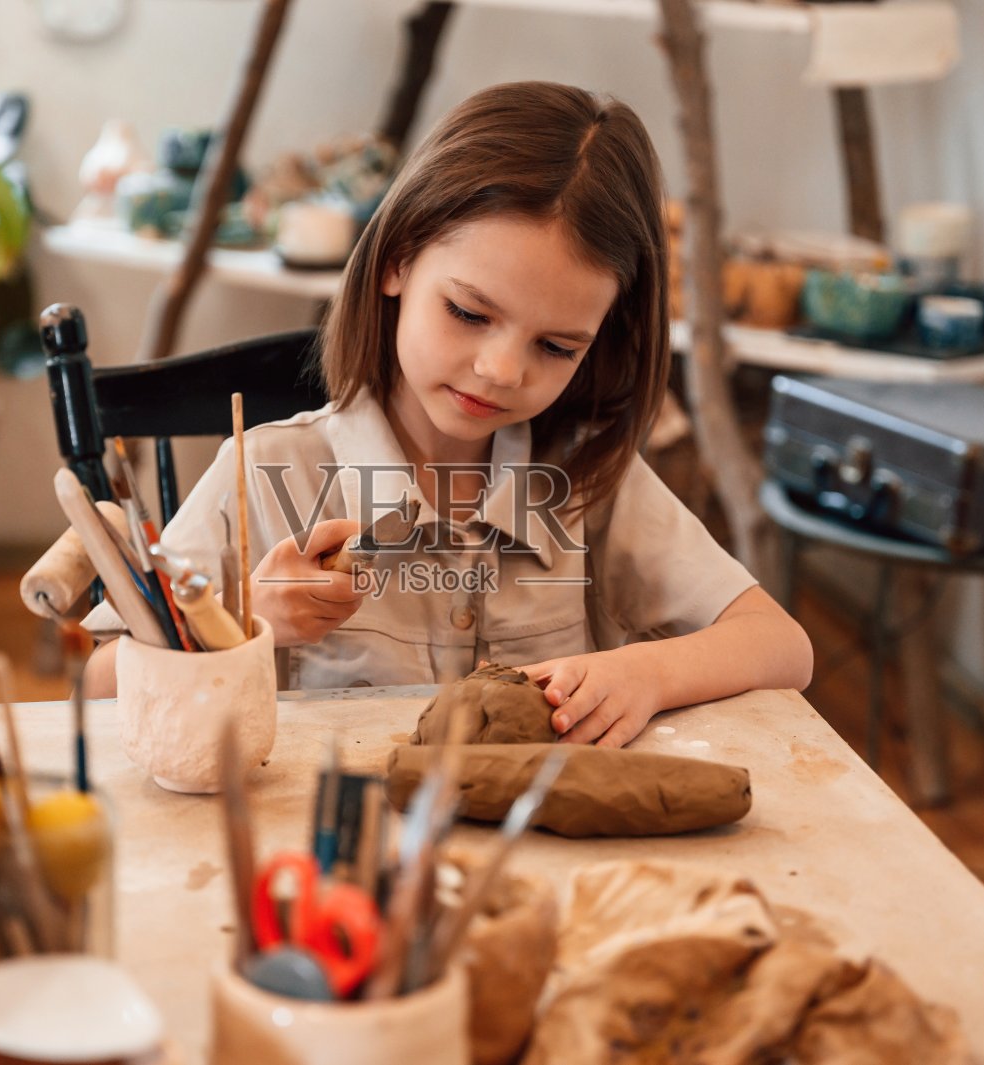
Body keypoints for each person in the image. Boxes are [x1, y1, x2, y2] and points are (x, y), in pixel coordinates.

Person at [82, 81, 811, 747]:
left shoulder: (588, 478)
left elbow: (782, 646)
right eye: (468, 312)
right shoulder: (269, 472)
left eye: (556, 346)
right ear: (397, 260)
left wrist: (649, 673)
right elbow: (95, 684)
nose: (501, 369)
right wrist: (244, 624)